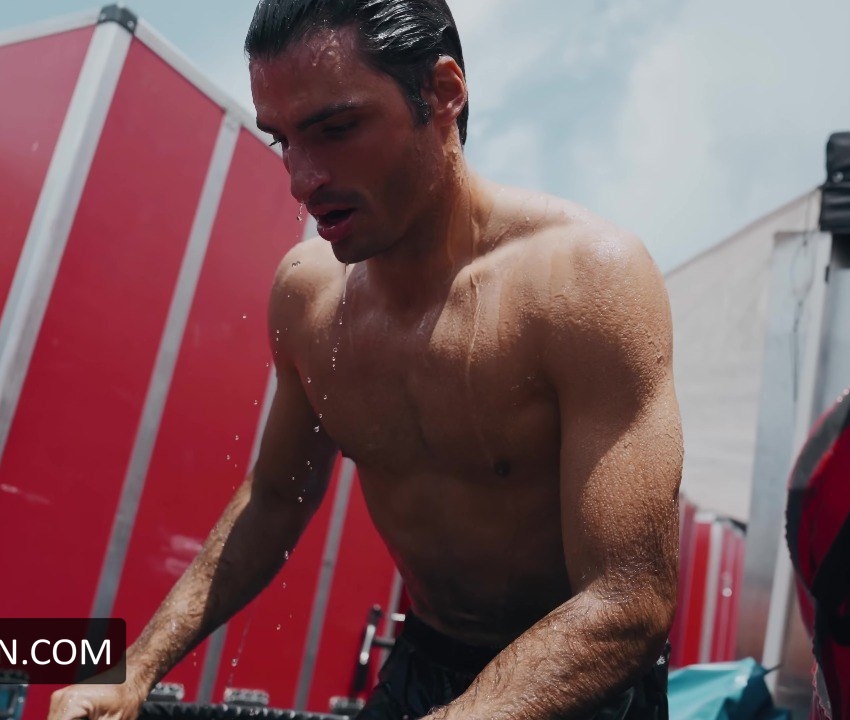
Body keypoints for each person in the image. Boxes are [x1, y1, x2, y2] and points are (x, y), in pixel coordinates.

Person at [48, 0, 683, 718]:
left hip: (584, 680)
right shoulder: (308, 297)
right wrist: (133, 671)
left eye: (336, 129)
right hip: (424, 664)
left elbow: (628, 599)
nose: (302, 179)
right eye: (283, 140)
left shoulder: (585, 280)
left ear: (442, 92)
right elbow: (276, 499)